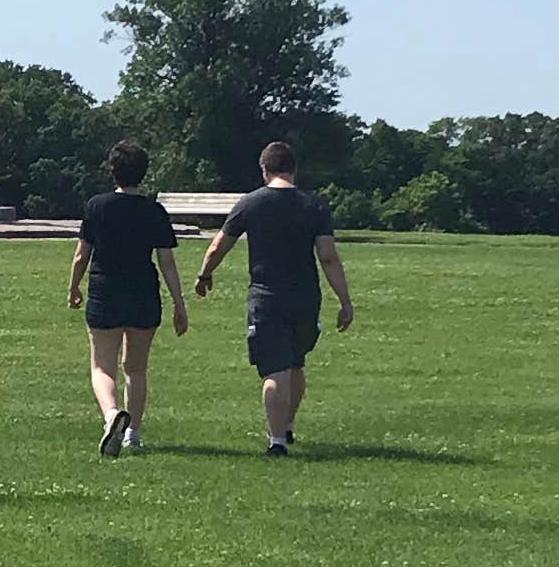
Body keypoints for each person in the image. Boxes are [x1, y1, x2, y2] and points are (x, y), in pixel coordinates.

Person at [192, 141, 353, 451]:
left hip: (266, 296)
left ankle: (277, 440)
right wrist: (345, 301)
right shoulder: (314, 205)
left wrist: (205, 274)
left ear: (264, 170)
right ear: (294, 170)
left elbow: (218, 245)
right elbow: (328, 257)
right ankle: (288, 424)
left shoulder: (251, 203)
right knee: (295, 363)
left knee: (274, 370)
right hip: (306, 297)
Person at [70, 141, 186, 454]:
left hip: (105, 292)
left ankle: (111, 415)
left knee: (102, 367)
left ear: (113, 170)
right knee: (136, 369)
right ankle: (133, 432)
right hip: (144, 295)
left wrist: (74, 287)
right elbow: (167, 263)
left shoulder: (97, 206)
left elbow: (82, 255)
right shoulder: (154, 210)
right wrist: (179, 304)